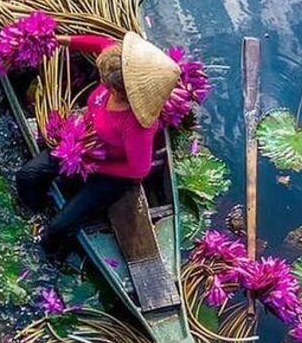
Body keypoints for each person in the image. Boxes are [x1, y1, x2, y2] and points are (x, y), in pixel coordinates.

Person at [16, 30, 180, 256]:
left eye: (105, 83)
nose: (101, 82)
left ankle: (51, 254)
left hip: (112, 172)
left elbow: (138, 169)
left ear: (122, 92)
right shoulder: (118, 63)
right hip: (83, 145)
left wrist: (93, 166)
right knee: (26, 176)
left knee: (57, 229)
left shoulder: (136, 126)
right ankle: (33, 213)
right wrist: (59, 39)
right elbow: (100, 43)